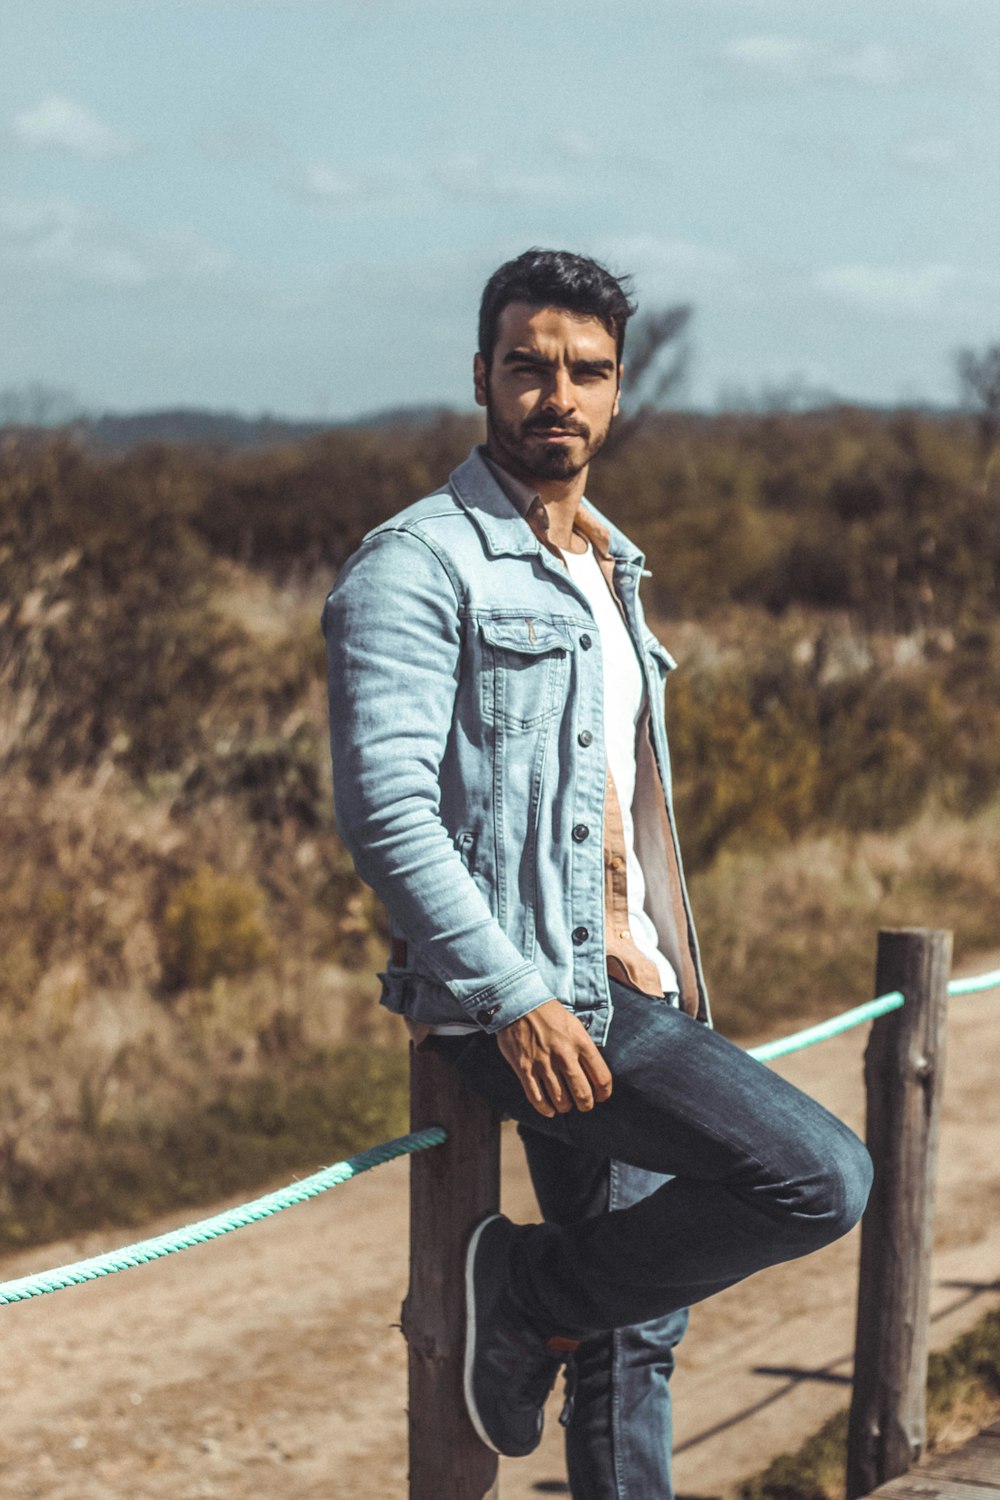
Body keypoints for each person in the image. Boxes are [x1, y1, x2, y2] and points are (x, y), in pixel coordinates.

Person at [322, 248, 872, 1499]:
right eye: (528, 367)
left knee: (636, 1338)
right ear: (481, 377)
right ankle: (522, 1294)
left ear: (618, 391)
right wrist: (517, 1001)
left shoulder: (607, 568)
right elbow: (388, 816)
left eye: (586, 371)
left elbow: (614, 812)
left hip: (635, 986)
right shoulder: (417, 566)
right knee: (816, 1177)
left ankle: (550, 1312)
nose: (555, 395)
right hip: (536, 998)